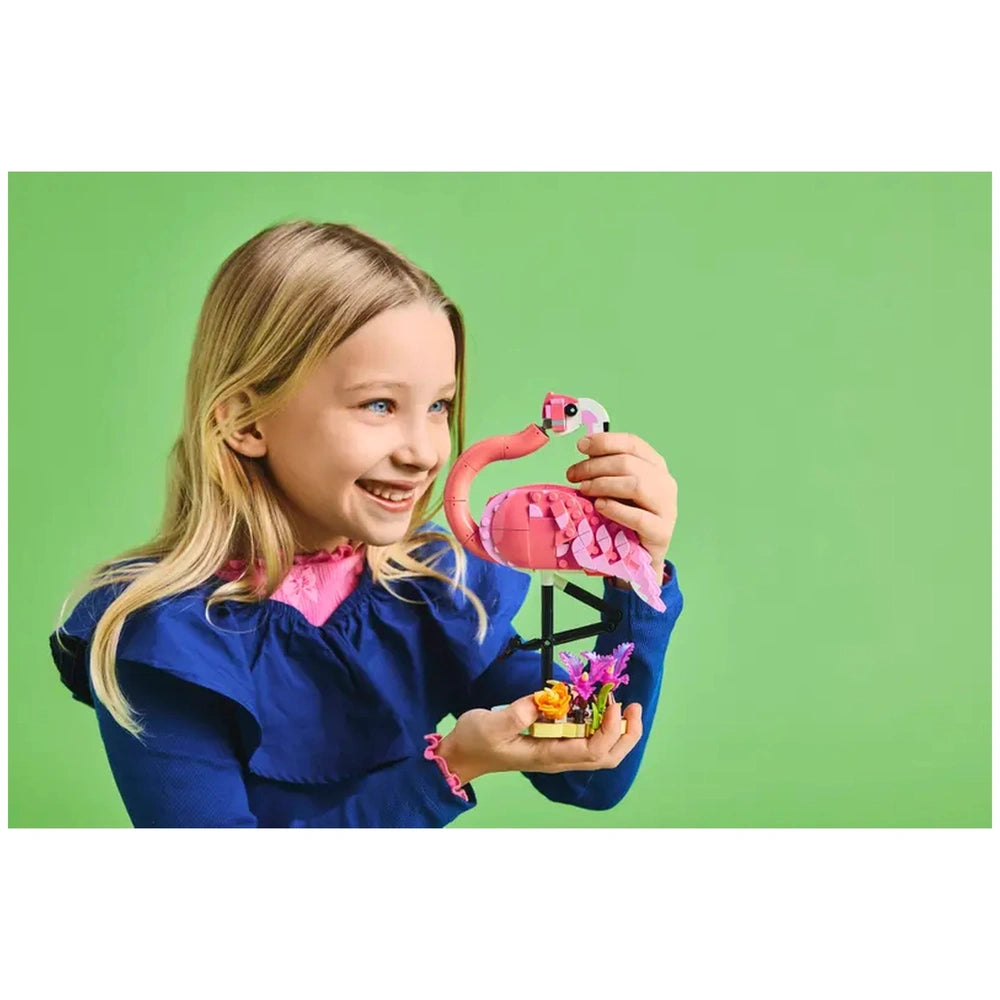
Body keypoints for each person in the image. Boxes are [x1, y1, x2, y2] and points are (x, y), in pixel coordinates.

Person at [48, 220, 684, 827]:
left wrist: (636, 571)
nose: (424, 452)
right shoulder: (169, 642)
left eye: (438, 406)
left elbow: (590, 775)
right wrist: (449, 768)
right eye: (379, 404)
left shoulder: (433, 590)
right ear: (246, 421)